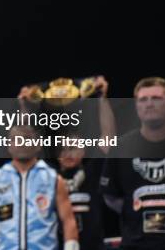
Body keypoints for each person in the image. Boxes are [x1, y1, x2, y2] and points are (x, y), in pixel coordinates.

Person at [100, 77, 165, 249]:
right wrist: (136, 210)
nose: (149, 104)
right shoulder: (121, 148)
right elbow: (111, 196)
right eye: (143, 99)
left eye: (156, 98)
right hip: (138, 244)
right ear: (136, 107)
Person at [19, 76, 113, 250]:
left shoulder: (92, 172)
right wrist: (24, 105)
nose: (68, 152)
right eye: (65, 148)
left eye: (74, 147)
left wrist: (102, 98)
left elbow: (107, 138)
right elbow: (25, 141)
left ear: (84, 151)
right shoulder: (49, 173)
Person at [0, 125, 79, 250]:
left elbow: (68, 221)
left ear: (38, 144)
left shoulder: (53, 179)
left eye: (26, 138)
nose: (21, 143)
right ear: (8, 145)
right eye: (16, 139)